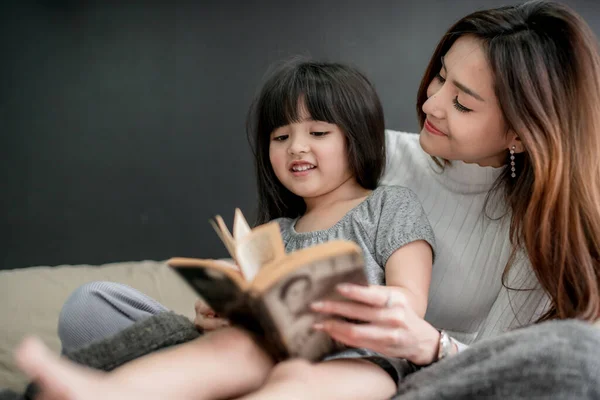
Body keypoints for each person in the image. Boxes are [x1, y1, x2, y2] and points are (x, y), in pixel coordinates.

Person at [15, 0, 600, 398]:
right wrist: (238, 305)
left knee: (580, 357)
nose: (431, 103)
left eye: (463, 102)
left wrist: (428, 342)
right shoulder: (378, 157)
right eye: (440, 75)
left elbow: (506, 368)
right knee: (96, 307)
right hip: (283, 345)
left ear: (525, 129)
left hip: (397, 373)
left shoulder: (537, 236)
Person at [14, 59, 435, 400]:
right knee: (95, 302)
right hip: (257, 351)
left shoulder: (388, 205)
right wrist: (220, 317)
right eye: (280, 136)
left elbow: (410, 303)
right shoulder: (273, 233)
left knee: (302, 380)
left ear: (357, 137)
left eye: (318, 132)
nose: (297, 147)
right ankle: (109, 392)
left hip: (359, 359)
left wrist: (323, 305)